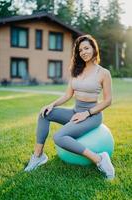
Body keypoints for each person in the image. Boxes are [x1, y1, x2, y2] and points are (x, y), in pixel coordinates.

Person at [24, 34, 115, 179]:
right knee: (44, 114)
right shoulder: (76, 70)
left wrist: (87, 113)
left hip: (93, 115)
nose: (84, 52)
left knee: (59, 136)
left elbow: (108, 100)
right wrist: (51, 105)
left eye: (86, 48)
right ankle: (38, 156)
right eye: (80, 50)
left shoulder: (104, 73)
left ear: (94, 49)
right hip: (75, 111)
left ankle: (99, 159)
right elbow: (68, 95)